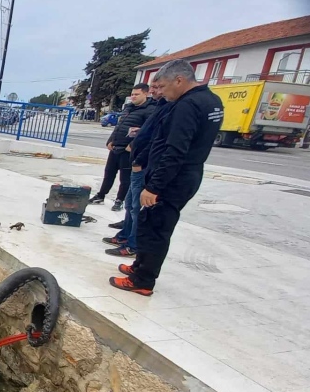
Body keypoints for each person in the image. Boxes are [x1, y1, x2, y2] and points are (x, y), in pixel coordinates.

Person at [110, 59, 223, 296]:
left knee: (155, 228)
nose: (158, 92)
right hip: (185, 174)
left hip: (173, 178)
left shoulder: (188, 105)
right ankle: (139, 267)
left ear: (179, 80)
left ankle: (142, 281)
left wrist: (154, 187)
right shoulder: (211, 100)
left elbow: (175, 151)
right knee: (150, 223)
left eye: (161, 87)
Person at [104, 80, 172, 258]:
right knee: (130, 203)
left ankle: (133, 244)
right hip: (135, 160)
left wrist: (137, 155)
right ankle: (126, 236)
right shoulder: (157, 108)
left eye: (159, 87)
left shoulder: (162, 109)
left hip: (142, 163)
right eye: (154, 88)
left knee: (135, 206)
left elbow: (155, 139)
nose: (156, 91)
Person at [90, 83, 156, 211]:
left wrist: (133, 145)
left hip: (129, 150)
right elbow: (119, 126)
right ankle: (101, 195)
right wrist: (111, 140)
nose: (133, 97)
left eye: (137, 94)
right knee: (109, 173)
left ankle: (119, 200)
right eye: (132, 94)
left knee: (125, 178)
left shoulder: (150, 110)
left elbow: (148, 131)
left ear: (146, 94)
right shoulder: (128, 108)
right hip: (116, 147)